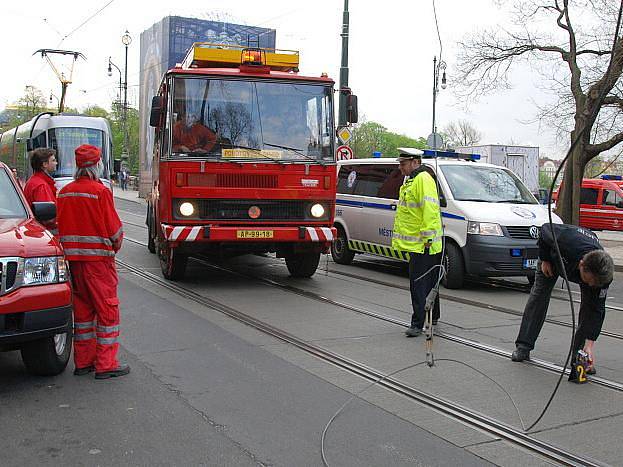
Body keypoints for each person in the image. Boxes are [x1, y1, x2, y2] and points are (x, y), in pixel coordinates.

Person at [57, 144, 130, 379]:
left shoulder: (65, 192)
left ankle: (84, 362)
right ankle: (106, 364)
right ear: (96, 165)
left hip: (74, 264)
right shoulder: (100, 192)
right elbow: (115, 231)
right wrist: (114, 246)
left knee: (83, 313)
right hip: (98, 264)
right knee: (108, 313)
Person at [511, 223, 614, 379]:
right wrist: (545, 259)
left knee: (589, 309)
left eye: (596, 283)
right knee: (539, 297)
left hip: (578, 263)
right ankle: (523, 346)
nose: (592, 285)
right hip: (551, 261)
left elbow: (597, 310)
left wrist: (589, 344)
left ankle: (579, 358)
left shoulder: (602, 276)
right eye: (590, 281)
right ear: (582, 265)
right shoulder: (568, 241)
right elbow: (545, 230)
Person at [392, 148, 443, 337]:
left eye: (403, 164)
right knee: (429, 281)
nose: (400, 168)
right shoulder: (414, 179)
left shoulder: (422, 179)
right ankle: (433, 316)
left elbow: (429, 210)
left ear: (415, 162)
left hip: (424, 244)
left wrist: (428, 239)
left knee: (419, 283)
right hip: (422, 243)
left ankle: (417, 323)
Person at [23, 147, 58, 234]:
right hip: (46, 232)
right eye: (53, 160)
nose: (56, 163)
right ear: (45, 164)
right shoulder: (41, 186)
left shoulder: (33, 181)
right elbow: (48, 218)